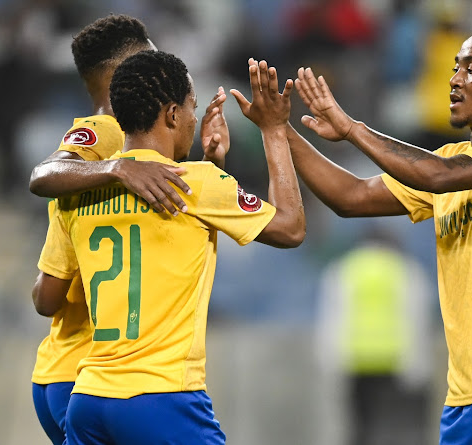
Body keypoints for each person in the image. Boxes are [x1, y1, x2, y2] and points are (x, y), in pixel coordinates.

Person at [289, 17, 472, 444]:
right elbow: (351, 197)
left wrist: (352, 129)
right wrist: (279, 131)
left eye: (471, 69)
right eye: (455, 68)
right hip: (465, 396)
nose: (455, 80)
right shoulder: (451, 158)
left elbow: (437, 175)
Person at [33, 51, 303, 444]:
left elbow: (47, 298)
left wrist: (214, 163)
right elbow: (291, 227)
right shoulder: (196, 183)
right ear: (173, 114)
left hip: (88, 398)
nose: (195, 119)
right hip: (160, 396)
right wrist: (274, 130)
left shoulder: (78, 193)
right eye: (192, 107)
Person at [29, 14, 230, 445]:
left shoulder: (126, 155)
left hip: (67, 374)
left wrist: (212, 168)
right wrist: (117, 166)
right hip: (103, 374)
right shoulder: (106, 132)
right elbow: (44, 174)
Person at [316, 226, 434, 445]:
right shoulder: (405, 269)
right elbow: (416, 319)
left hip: (356, 363)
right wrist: (419, 366)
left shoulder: (343, 269)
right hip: (395, 363)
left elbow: (332, 320)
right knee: (394, 430)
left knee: (359, 428)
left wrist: (331, 363)